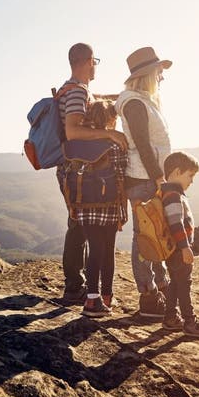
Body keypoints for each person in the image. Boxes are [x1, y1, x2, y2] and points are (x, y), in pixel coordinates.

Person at [58, 43, 128, 303]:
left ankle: (80, 286)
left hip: (78, 168)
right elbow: (73, 131)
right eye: (95, 61)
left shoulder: (77, 90)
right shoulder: (76, 92)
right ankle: (76, 287)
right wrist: (108, 133)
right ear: (88, 61)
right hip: (77, 170)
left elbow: (90, 103)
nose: (96, 65)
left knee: (79, 224)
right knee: (80, 225)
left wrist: (123, 96)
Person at [115, 46, 172, 318]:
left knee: (154, 233)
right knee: (146, 236)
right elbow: (143, 144)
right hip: (143, 177)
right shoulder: (135, 103)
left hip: (147, 176)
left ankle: (159, 287)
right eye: (159, 72)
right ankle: (149, 296)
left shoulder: (141, 100)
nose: (162, 76)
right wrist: (159, 177)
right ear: (148, 73)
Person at [77, 100, 128, 317]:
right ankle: (104, 296)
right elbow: (122, 177)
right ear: (110, 119)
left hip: (84, 206)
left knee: (94, 249)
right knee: (107, 252)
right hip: (109, 206)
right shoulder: (115, 144)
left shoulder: (81, 143)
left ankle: (93, 297)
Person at [160, 151, 199, 338]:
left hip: (172, 250)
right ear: (176, 172)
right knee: (184, 285)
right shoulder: (173, 195)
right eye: (190, 175)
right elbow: (175, 223)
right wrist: (185, 247)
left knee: (175, 283)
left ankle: (170, 318)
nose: (192, 181)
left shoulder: (168, 192)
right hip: (178, 249)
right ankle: (190, 322)